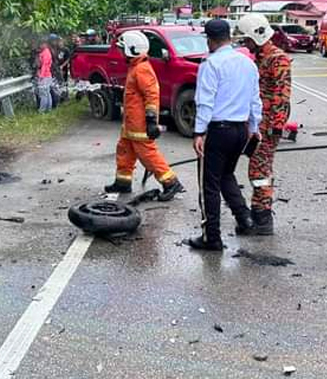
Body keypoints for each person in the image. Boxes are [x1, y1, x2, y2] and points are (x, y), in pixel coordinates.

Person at [185, 19, 262, 251]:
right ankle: (244, 218)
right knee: (226, 174)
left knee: (209, 184)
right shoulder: (247, 64)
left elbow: (205, 103)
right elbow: (255, 101)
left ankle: (212, 236)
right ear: (228, 37)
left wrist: (199, 132)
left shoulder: (210, 64)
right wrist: (253, 128)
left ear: (210, 40)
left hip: (218, 130)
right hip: (241, 130)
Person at [103, 30, 184, 201]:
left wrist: (151, 120)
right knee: (124, 150)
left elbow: (152, 95)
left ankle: (171, 182)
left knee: (147, 154)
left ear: (132, 49)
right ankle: (123, 182)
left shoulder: (142, 69)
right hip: (131, 123)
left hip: (140, 124)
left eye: (122, 49)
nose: (120, 52)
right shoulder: (136, 67)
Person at [237, 13, 291, 236]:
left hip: (268, 125)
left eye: (247, 39)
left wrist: (276, 125)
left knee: (260, 171)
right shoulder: (260, 57)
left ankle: (262, 218)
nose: (245, 43)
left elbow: (282, 93)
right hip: (258, 123)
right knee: (257, 169)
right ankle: (259, 212)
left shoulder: (277, 58)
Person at [35, 38, 54, 113]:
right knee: (47, 93)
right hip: (47, 75)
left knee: (43, 93)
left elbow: (44, 65)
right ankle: (48, 109)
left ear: (45, 44)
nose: (40, 46)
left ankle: (42, 110)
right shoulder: (46, 52)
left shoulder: (46, 53)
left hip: (45, 76)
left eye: (41, 44)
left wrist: (41, 76)